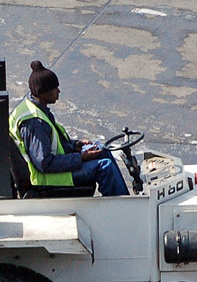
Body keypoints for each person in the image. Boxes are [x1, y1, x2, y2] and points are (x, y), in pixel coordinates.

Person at [8, 60, 129, 196]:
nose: (58, 91)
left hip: (50, 168)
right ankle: (121, 210)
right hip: (45, 179)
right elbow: (44, 163)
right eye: (55, 88)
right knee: (104, 167)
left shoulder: (35, 109)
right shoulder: (35, 122)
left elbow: (53, 144)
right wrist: (80, 157)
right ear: (43, 92)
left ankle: (123, 198)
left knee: (103, 152)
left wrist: (75, 145)